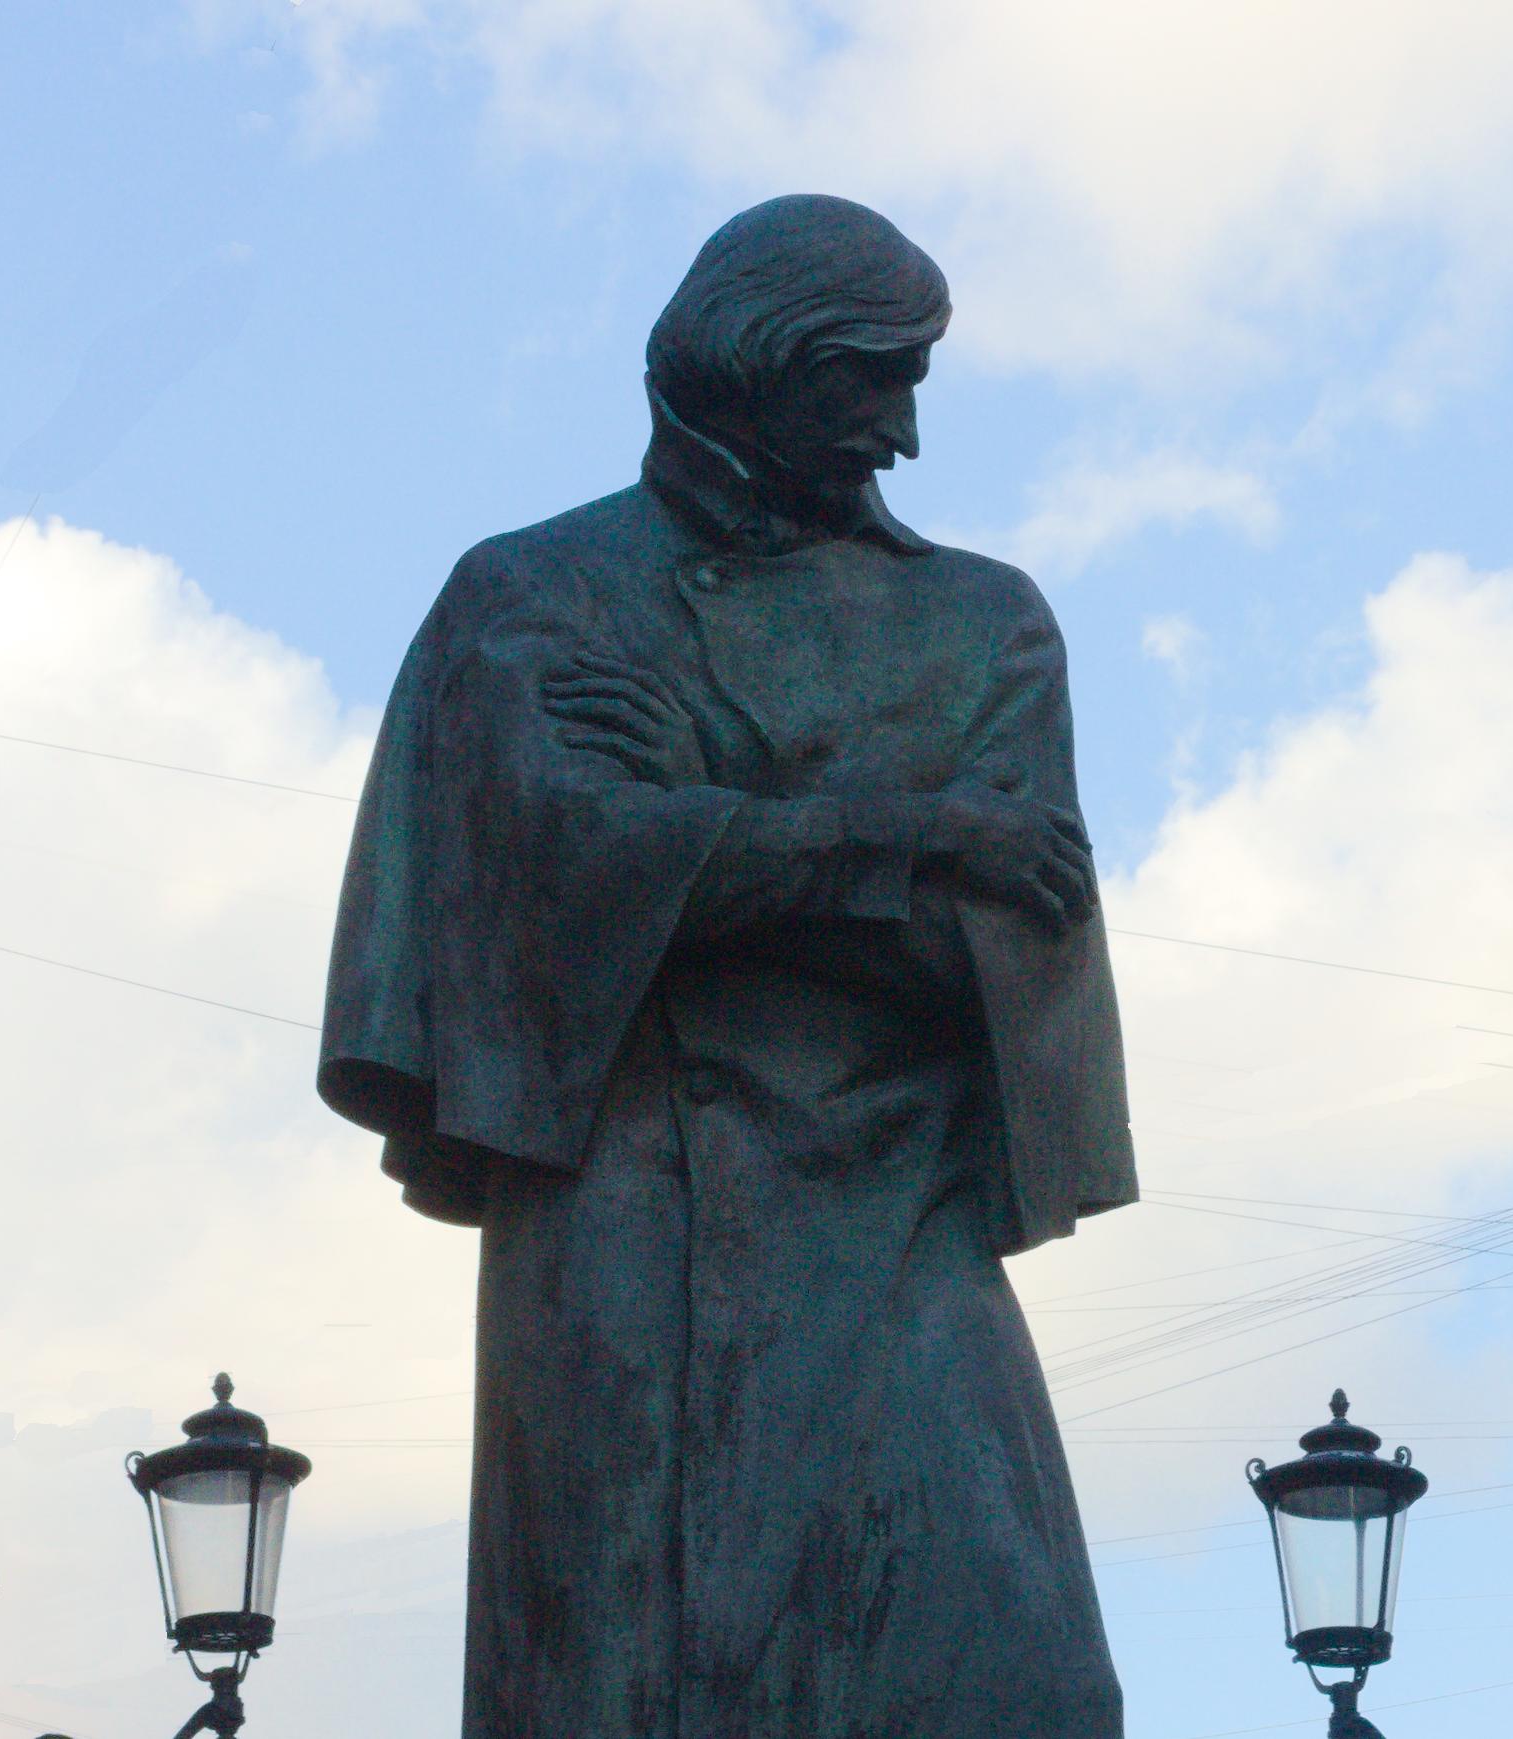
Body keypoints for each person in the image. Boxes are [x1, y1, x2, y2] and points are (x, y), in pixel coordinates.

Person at [320, 193, 1135, 1738]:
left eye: (916, 380)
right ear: (747, 363)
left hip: (901, 1221)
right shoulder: (533, 592)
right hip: (623, 1230)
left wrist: (700, 833)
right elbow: (549, 881)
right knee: (620, 1689)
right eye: (866, 380)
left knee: (1019, 1682)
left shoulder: (986, 623)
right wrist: (909, 830)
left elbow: (1016, 947)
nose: (901, 433)